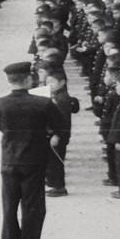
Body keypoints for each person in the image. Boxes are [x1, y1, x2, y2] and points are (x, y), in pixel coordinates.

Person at [0, 61, 64, 239]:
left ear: (9, 80)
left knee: (9, 205)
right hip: (34, 159)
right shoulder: (43, 103)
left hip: (9, 158)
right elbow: (58, 124)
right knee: (33, 206)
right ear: (28, 79)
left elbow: (1, 127)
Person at [44, 68, 78, 197]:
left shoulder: (61, 99)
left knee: (56, 162)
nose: (49, 85)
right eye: (47, 82)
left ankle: (59, 187)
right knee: (52, 161)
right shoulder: (57, 96)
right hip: (55, 134)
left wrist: (57, 134)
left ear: (62, 82)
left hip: (58, 135)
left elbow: (62, 121)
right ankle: (53, 183)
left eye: (52, 82)